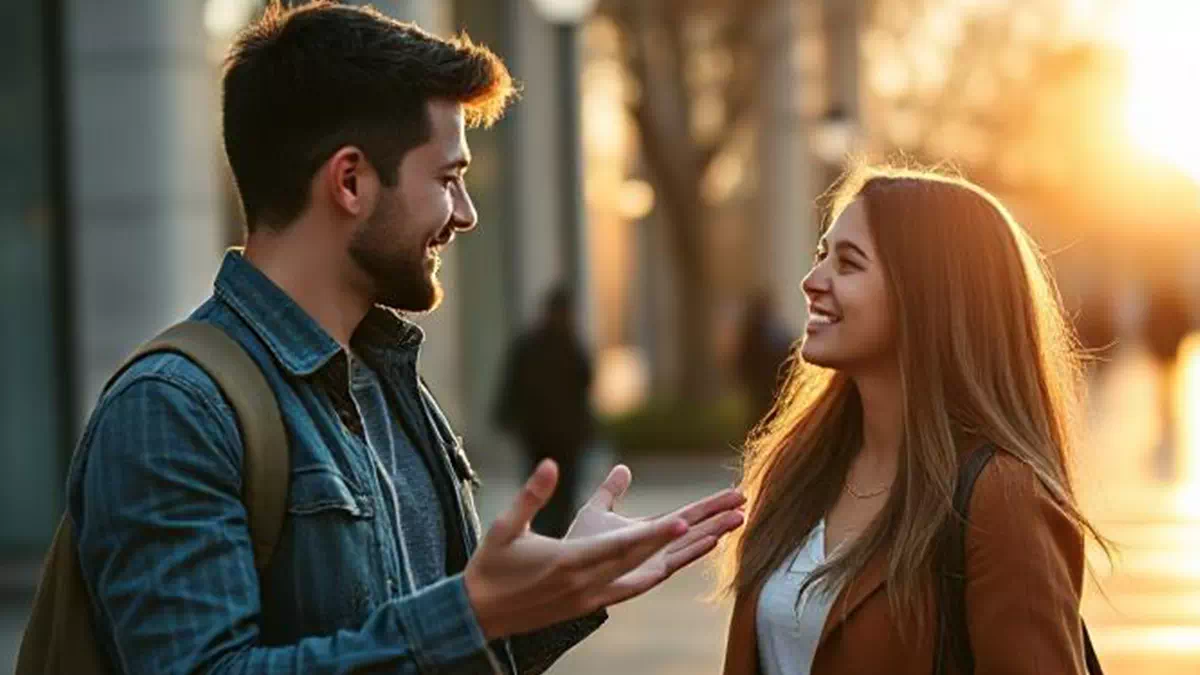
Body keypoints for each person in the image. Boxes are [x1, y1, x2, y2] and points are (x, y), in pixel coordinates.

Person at [66, 3, 745, 673]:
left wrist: (558, 594)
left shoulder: (388, 384)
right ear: (351, 180)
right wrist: (474, 611)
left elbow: (435, 652)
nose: (467, 214)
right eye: (448, 179)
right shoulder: (173, 410)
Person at [720, 166, 1105, 674]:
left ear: (929, 293)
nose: (811, 283)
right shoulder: (799, 468)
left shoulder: (1001, 496)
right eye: (821, 257)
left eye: (849, 264)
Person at [494, 286, 594, 538]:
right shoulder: (566, 346)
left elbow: (584, 390)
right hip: (552, 436)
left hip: (548, 435)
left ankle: (547, 531)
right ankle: (551, 533)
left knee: (549, 489)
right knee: (554, 489)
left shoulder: (550, 346)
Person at [737, 289, 797, 427]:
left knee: (759, 414)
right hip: (770, 383)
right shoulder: (772, 332)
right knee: (767, 413)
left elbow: (742, 360)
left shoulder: (750, 332)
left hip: (759, 384)